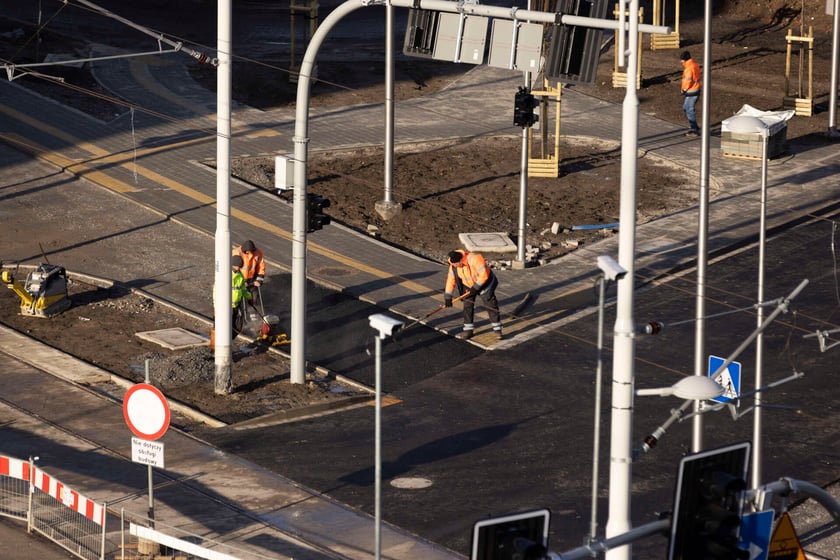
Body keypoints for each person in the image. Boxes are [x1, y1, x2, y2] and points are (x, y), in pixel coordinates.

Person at [444, 249, 503, 341]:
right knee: (467, 306)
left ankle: (497, 329)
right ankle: (468, 330)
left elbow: (484, 274)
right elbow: (451, 280)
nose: (455, 266)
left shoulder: (474, 258)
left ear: (461, 260)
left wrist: (475, 288)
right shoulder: (453, 265)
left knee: (491, 305)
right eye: (453, 265)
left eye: (456, 264)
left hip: (485, 284)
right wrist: (448, 297)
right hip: (468, 285)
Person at [212, 254, 253, 345]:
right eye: (237, 266)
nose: (239, 268)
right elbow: (216, 291)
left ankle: (226, 344)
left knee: (236, 328)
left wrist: (249, 297)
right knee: (220, 329)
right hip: (224, 308)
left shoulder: (240, 276)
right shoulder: (224, 275)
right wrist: (216, 307)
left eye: (240, 267)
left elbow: (242, 289)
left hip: (235, 307)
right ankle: (215, 349)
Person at [680, 50, 701, 137]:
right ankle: (695, 127)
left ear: (684, 60)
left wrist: (684, 89)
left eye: (681, 60)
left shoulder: (689, 69)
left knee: (689, 109)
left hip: (692, 91)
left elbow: (687, 81)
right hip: (696, 89)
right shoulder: (694, 65)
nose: (680, 61)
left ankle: (694, 130)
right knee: (686, 107)